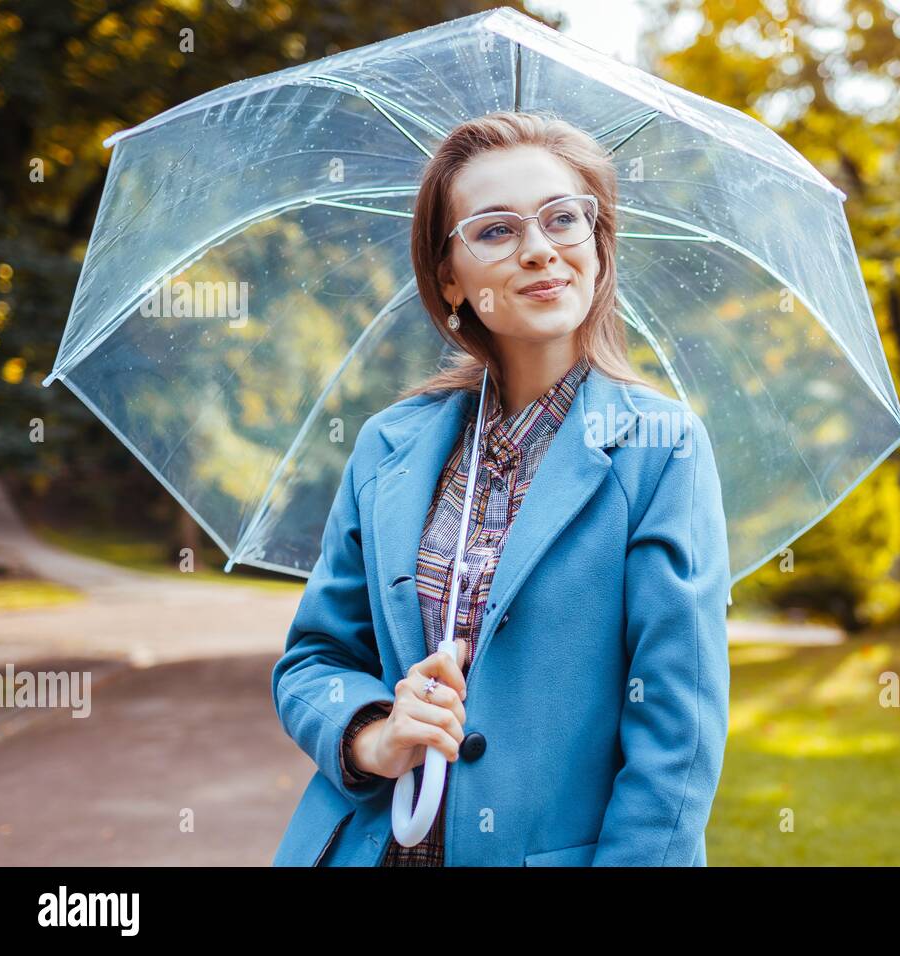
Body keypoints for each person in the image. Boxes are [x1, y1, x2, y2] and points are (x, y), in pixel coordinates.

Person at [270, 110, 732, 866]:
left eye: (564, 219)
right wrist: (375, 732)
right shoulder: (391, 442)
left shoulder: (663, 450)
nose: (541, 250)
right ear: (449, 276)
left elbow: (676, 744)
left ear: (598, 244)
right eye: (495, 230)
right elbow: (313, 659)